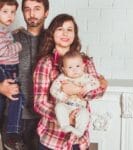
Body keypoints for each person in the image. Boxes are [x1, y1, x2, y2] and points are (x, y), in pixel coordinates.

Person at [33, 13, 107, 150]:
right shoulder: (45, 63)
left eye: (69, 29)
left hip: (79, 140)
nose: (65, 33)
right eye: (60, 29)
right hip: (52, 138)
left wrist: (79, 90)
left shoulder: (85, 61)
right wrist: (65, 118)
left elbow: (97, 91)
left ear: (74, 34)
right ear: (52, 33)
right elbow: (39, 103)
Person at [1, 0, 49, 150]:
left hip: (45, 118)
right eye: (27, 9)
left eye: (37, 9)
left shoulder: (54, 39)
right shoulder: (10, 38)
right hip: (13, 118)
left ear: (46, 12)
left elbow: (74, 64)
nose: (32, 13)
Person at [50, 51, 100, 138]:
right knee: (59, 107)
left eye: (77, 66)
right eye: (70, 67)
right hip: (66, 105)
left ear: (83, 66)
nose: (74, 70)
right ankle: (65, 125)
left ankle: (79, 131)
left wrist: (88, 87)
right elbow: (53, 89)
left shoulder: (86, 77)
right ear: (63, 69)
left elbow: (97, 83)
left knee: (85, 113)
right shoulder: (62, 77)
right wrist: (61, 95)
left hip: (80, 107)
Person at [0, 0, 24, 145]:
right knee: (17, 96)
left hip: (9, 67)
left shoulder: (4, 30)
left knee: (6, 100)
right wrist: (18, 46)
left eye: (13, 12)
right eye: (5, 12)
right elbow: (3, 50)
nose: (10, 16)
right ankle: (12, 132)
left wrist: (14, 32)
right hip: (6, 68)